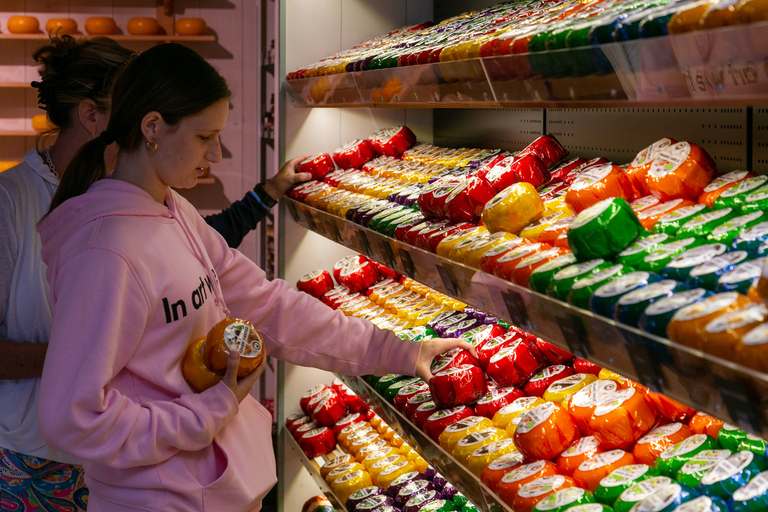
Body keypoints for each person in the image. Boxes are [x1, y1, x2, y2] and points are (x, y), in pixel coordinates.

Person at [36, 42, 469, 512]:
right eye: (205, 137)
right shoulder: (107, 251)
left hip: (215, 491)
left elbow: (266, 305)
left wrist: (401, 351)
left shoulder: (172, 210)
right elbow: (72, 417)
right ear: (153, 128)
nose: (216, 153)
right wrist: (208, 412)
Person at [0, 35, 308, 511]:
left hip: (136, 457)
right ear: (93, 115)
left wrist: (265, 193)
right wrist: (89, 357)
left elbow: (208, 252)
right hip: (38, 462)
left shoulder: (144, 199)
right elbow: (76, 394)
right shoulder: (12, 204)